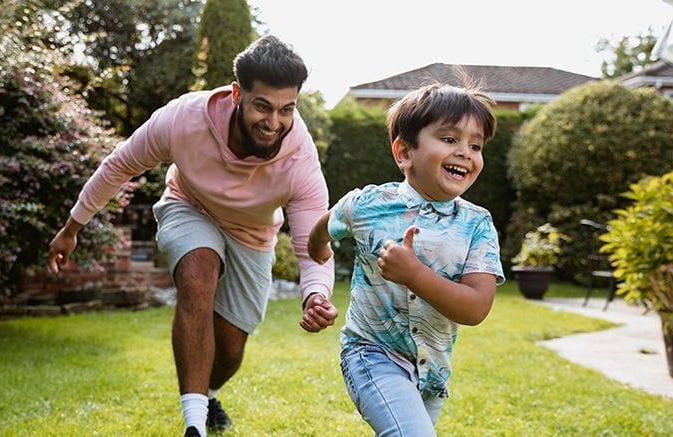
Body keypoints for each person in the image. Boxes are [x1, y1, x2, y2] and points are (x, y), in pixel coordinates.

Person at [47, 35, 339, 437]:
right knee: (196, 273)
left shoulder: (300, 159)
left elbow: (313, 243)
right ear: (237, 94)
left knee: (230, 348)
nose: (274, 123)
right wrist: (72, 227)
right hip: (190, 206)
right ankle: (194, 425)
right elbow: (119, 165)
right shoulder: (183, 119)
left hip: (253, 234)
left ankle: (209, 394)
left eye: (286, 109)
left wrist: (316, 294)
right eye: (262, 106)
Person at [308, 83, 504, 435]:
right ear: (404, 153)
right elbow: (325, 225)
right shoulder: (368, 205)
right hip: (371, 353)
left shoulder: (477, 224)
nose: (465, 152)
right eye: (449, 139)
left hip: (432, 372)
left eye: (475, 145)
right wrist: (319, 252)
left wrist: (414, 274)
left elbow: (476, 308)